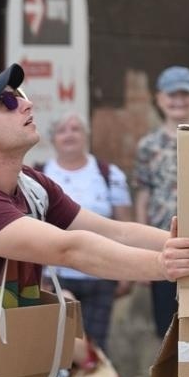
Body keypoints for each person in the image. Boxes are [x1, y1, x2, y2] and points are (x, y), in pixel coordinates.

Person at [0, 64, 189, 313]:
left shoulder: (31, 184)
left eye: (20, 95)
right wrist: (163, 265)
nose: (26, 104)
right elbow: (70, 249)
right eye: (8, 102)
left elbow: (115, 231)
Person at [39, 113, 133, 351]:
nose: (69, 135)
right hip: (55, 275)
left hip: (101, 273)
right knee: (56, 345)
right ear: (52, 139)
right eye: (62, 130)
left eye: (75, 129)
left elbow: (123, 224)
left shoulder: (109, 174)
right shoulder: (39, 176)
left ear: (86, 136)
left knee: (95, 346)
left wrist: (125, 271)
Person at [133, 65, 189, 338]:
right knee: (166, 326)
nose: (178, 101)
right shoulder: (148, 145)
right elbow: (143, 193)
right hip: (162, 243)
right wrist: (141, 248)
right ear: (159, 99)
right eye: (172, 95)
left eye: (185, 94)